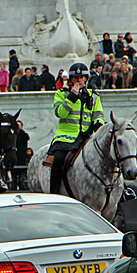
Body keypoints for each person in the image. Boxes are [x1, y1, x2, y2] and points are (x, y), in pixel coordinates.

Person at [48, 62, 104, 195]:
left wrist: (97, 124)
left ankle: (121, 190)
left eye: (81, 78)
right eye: (75, 78)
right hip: (65, 137)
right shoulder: (61, 94)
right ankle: (54, 193)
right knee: (58, 160)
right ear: (71, 80)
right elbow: (60, 113)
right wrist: (72, 97)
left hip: (87, 137)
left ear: (85, 79)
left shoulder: (94, 96)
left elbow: (99, 115)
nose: (78, 80)